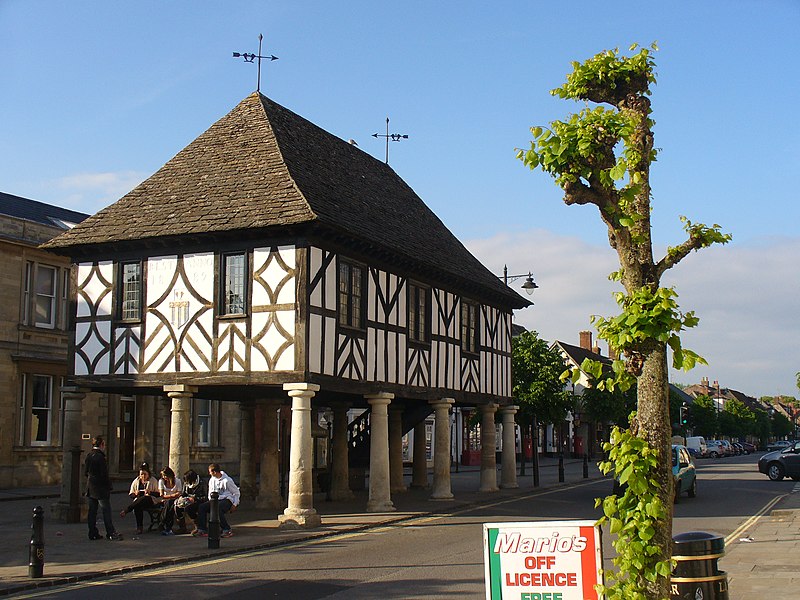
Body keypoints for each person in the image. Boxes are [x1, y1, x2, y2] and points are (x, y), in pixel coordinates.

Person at [84, 436, 123, 541]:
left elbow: (85, 472)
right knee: (106, 510)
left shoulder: (89, 455)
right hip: (100, 488)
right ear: (101, 445)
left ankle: (92, 532)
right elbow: (104, 474)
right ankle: (110, 532)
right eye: (104, 444)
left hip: (91, 487)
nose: (104, 447)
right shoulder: (101, 457)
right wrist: (108, 486)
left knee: (92, 511)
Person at [192, 463, 240, 538]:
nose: (209, 473)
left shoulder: (227, 480)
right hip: (215, 500)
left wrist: (235, 504)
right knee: (202, 507)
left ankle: (226, 529)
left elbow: (236, 492)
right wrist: (210, 501)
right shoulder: (212, 480)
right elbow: (210, 493)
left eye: (210, 471)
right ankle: (202, 529)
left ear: (214, 472)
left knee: (217, 508)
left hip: (227, 500)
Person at [119, 463, 161, 534]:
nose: (143, 476)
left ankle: (126, 510)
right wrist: (135, 494)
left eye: (145, 474)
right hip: (139, 501)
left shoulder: (153, 480)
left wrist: (150, 492)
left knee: (145, 497)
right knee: (137, 507)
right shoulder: (136, 481)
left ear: (148, 474)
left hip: (151, 501)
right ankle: (139, 527)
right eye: (141, 474)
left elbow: (159, 494)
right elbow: (131, 494)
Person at [174, 469, 206, 534]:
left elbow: (206, 497)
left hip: (199, 501)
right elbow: (183, 493)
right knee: (177, 507)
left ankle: (197, 526)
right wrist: (181, 498)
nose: (187, 483)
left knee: (189, 508)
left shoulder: (202, 483)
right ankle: (182, 527)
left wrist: (195, 498)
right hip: (188, 500)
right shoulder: (186, 483)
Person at [157, 466, 182, 536]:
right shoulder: (161, 481)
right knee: (169, 505)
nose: (165, 477)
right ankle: (168, 527)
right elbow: (161, 495)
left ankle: (162, 522)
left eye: (165, 475)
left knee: (170, 503)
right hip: (165, 500)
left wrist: (172, 496)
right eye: (163, 476)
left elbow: (179, 493)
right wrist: (172, 495)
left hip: (175, 501)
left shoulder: (177, 481)